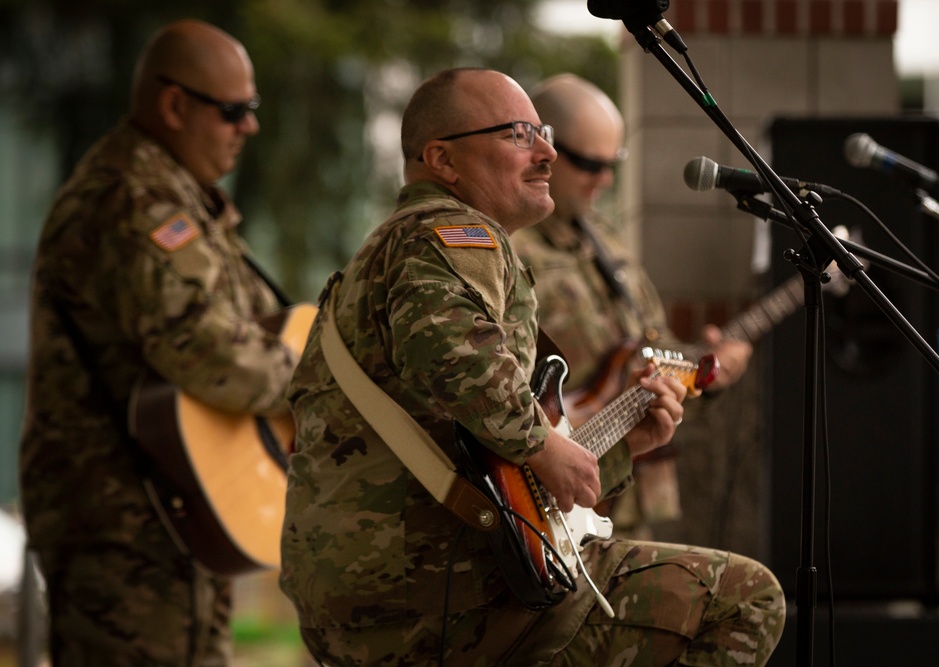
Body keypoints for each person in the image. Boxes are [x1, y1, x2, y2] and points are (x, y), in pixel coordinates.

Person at [280, 67, 784, 666]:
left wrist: (624, 445)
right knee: (746, 599)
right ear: (442, 159)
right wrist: (543, 447)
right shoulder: (448, 233)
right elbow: (457, 360)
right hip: (439, 598)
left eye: (541, 132)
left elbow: (482, 454)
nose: (546, 151)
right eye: (518, 134)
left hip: (397, 591)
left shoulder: (410, 244)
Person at [19, 19, 300, 665]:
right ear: (174, 105)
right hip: (118, 525)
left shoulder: (183, 198)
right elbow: (209, 351)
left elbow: (257, 324)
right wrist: (317, 384)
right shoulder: (131, 197)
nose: (249, 128)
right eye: (234, 111)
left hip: (173, 509)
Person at [513, 73, 755, 533]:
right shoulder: (510, 245)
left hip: (628, 486)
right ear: (542, 146)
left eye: (614, 163)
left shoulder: (604, 235)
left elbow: (649, 343)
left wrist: (706, 371)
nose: (604, 179)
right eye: (588, 163)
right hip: (545, 491)